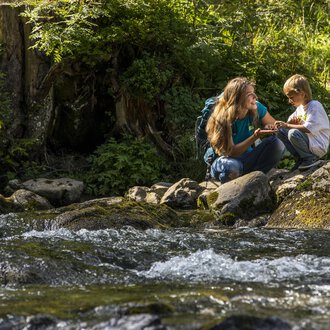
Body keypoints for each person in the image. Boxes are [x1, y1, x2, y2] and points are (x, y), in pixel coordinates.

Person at [205, 77, 284, 183]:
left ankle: (254, 179)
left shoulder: (256, 107)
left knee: (278, 143)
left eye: (254, 92)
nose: (255, 96)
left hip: (248, 158)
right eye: (249, 94)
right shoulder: (224, 118)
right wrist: (255, 136)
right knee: (232, 168)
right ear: (237, 98)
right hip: (226, 160)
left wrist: (271, 127)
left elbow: (275, 125)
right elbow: (232, 152)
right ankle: (242, 181)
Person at [274, 74, 330, 170]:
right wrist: (287, 123)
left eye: (291, 97)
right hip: (309, 142)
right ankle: (301, 158)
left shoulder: (315, 106)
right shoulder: (300, 108)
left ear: (302, 94)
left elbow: (308, 128)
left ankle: (310, 158)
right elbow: (288, 123)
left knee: (293, 133)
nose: (289, 101)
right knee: (280, 131)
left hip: (318, 144)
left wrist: (288, 125)